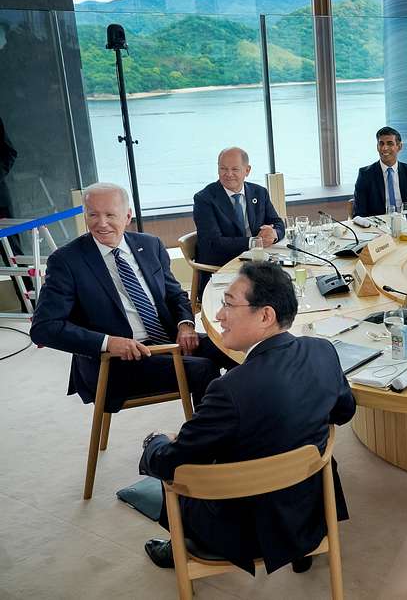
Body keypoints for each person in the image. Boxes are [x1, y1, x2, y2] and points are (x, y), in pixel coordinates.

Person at [138, 261, 356, 575]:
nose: (217, 315)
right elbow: (344, 412)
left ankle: (178, 546)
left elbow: (172, 462)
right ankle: (301, 552)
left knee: (176, 468)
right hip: (311, 510)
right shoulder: (322, 351)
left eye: (227, 304)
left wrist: (154, 443)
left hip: (250, 532)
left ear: (265, 315)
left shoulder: (228, 391)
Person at [30, 183, 234, 413]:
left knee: (237, 347)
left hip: (169, 340)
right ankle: (207, 443)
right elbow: (43, 328)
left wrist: (185, 324)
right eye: (93, 214)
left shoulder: (150, 245)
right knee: (203, 369)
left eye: (110, 215)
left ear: (127, 216)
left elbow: (174, 294)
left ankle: (251, 427)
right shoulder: (66, 260)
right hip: (116, 363)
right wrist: (108, 343)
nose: (101, 223)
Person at [192, 147, 285, 292]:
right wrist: (254, 242)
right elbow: (214, 243)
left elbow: (278, 223)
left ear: (247, 170)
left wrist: (274, 234)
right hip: (221, 269)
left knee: (286, 287)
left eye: (235, 169)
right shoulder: (204, 199)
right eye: (223, 168)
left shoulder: (259, 193)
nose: (228, 174)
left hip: (257, 267)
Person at [352, 126, 407, 218]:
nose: (385, 148)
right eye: (381, 144)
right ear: (377, 147)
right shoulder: (365, 174)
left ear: (399, 147)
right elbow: (359, 213)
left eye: (390, 144)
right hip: (377, 228)